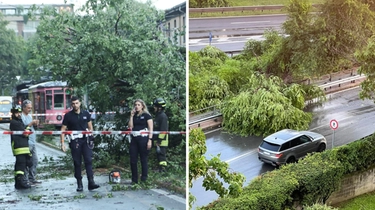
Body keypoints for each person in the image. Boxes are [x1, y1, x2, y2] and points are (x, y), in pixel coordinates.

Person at [60, 96, 100, 191]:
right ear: (71, 104)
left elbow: (90, 127)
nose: (75, 105)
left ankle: (91, 182)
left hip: (85, 140)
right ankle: (79, 183)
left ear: (80, 103)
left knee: (88, 160)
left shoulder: (85, 113)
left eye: (77, 103)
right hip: (75, 141)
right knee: (77, 162)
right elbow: (62, 129)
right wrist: (62, 143)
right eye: (73, 103)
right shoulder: (68, 116)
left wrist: (91, 136)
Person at [128, 99, 153, 184]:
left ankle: (144, 178)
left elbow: (151, 129)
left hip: (143, 139)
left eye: (138, 105)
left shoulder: (147, 116)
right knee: (133, 159)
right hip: (134, 139)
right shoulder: (134, 116)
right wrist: (131, 116)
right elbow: (130, 127)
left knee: (143, 159)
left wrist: (150, 140)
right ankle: (134, 179)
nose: (137, 106)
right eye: (135, 105)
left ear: (142, 106)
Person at [10, 106, 32, 189]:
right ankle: (21, 181)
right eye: (16, 113)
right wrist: (28, 130)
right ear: (13, 113)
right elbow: (25, 132)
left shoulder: (19, 121)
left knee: (24, 163)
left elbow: (25, 129)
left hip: (23, 146)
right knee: (21, 164)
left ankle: (18, 182)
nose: (18, 114)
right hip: (19, 147)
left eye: (19, 112)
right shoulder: (14, 122)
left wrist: (27, 128)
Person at [21, 99, 42, 185]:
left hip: (33, 142)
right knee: (27, 161)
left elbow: (31, 127)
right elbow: (23, 128)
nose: (30, 109)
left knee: (34, 161)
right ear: (24, 107)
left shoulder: (29, 116)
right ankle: (26, 179)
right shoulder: (21, 117)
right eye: (28, 108)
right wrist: (31, 123)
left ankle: (32, 178)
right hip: (27, 142)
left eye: (31, 108)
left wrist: (35, 124)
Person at [152, 98, 169, 172]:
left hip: (162, 141)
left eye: (155, 106)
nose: (154, 108)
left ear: (159, 107)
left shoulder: (163, 116)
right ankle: (160, 169)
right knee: (158, 155)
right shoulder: (158, 115)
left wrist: (159, 141)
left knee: (162, 156)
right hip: (158, 140)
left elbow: (163, 130)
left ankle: (163, 169)